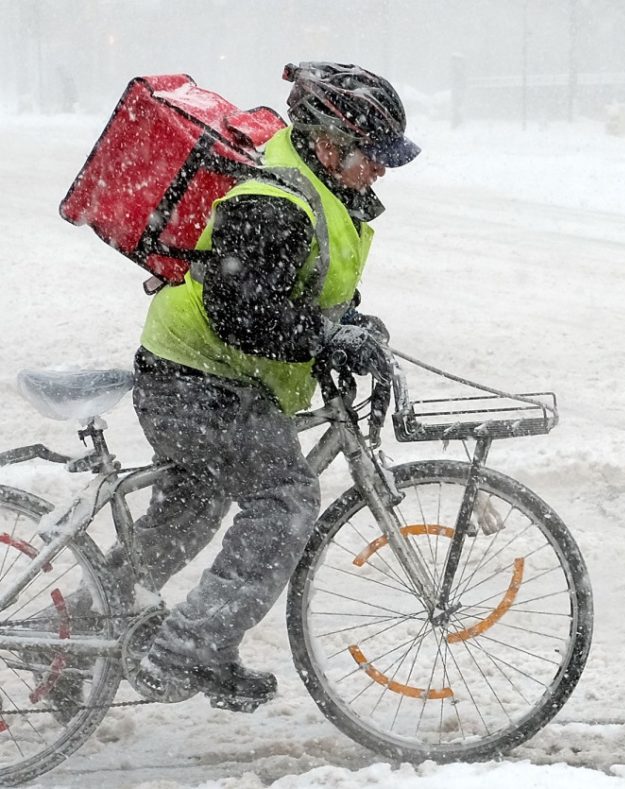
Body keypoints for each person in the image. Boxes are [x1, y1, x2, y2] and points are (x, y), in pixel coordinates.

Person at [123, 62, 420, 710]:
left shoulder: (320, 187)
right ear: (329, 142)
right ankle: (183, 650)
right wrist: (321, 338)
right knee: (284, 495)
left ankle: (81, 628)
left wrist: (346, 325)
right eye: (374, 155)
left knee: (190, 508)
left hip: (199, 376)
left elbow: (306, 281)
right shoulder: (275, 197)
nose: (382, 170)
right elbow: (239, 309)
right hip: (197, 380)